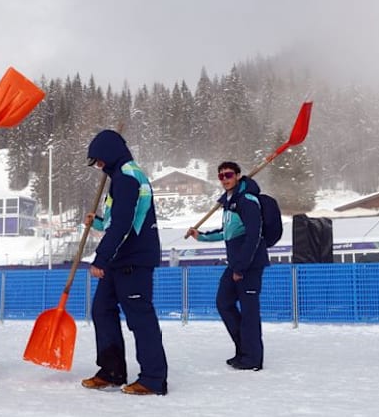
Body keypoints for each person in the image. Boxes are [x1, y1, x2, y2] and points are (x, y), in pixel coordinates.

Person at [81, 129, 168, 396]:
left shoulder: (128, 177)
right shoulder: (119, 177)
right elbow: (115, 221)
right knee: (102, 311)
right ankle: (112, 370)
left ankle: (153, 379)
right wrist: (96, 221)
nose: (98, 166)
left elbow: (123, 225)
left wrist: (101, 258)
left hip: (133, 259)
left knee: (140, 319)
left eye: (98, 160)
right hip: (119, 259)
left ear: (108, 154)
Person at [186, 162, 268, 371]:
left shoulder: (248, 201)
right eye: (221, 176)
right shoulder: (230, 202)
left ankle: (252, 359)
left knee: (249, 312)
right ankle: (243, 350)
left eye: (228, 175)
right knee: (223, 303)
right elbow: (226, 232)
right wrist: (201, 236)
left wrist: (241, 267)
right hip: (235, 264)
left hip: (249, 265)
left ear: (238, 176)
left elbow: (253, 235)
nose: (224, 179)